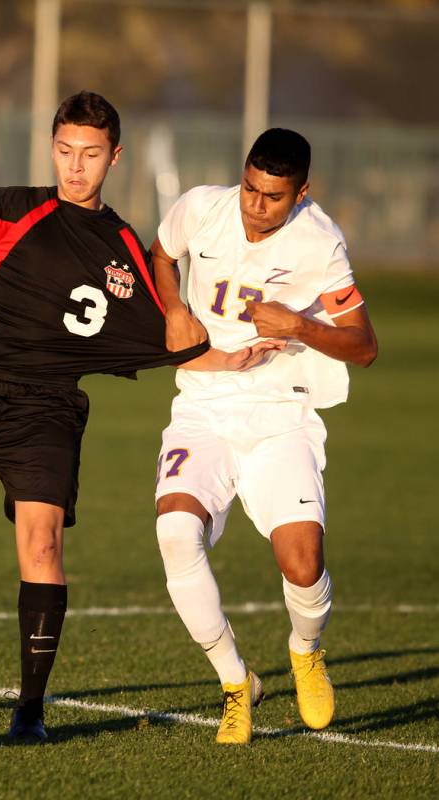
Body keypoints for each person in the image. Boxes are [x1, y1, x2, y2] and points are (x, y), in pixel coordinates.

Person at [0, 91, 277, 743]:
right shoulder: (17, 208)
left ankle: (30, 710)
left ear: (115, 157)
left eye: (89, 154)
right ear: (51, 148)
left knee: (42, 544)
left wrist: (230, 359)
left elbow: (163, 340)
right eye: (64, 151)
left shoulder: (120, 247)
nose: (74, 166)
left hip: (46, 408)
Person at [151, 127, 378, 745]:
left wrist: (302, 326)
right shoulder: (202, 207)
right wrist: (174, 307)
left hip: (281, 412)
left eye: (272, 197)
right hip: (203, 406)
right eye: (250, 188)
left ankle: (306, 651)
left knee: (303, 565)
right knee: (175, 531)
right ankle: (234, 684)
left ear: (301, 193)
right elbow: (161, 253)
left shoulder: (320, 241)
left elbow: (364, 346)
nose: (255, 205)